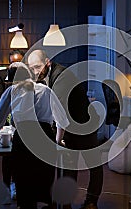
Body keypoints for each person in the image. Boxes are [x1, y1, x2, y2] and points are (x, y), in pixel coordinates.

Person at [0, 62, 69, 209]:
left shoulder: (12, 90)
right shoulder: (46, 90)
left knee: (24, 185)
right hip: (46, 138)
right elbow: (62, 121)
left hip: (24, 139)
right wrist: (57, 141)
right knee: (44, 185)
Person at [27, 49, 103, 209]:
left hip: (85, 124)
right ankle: (64, 204)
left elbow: (58, 110)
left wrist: (55, 137)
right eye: (31, 68)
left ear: (47, 62)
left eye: (37, 67)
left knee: (94, 165)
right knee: (68, 167)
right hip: (69, 124)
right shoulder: (44, 75)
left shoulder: (61, 76)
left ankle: (91, 202)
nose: (35, 72)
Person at [0, 50, 23, 201]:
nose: (15, 64)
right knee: (7, 155)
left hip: (22, 121)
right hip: (7, 118)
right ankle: (6, 186)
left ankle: (18, 186)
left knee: (20, 157)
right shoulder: (2, 74)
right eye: (12, 62)